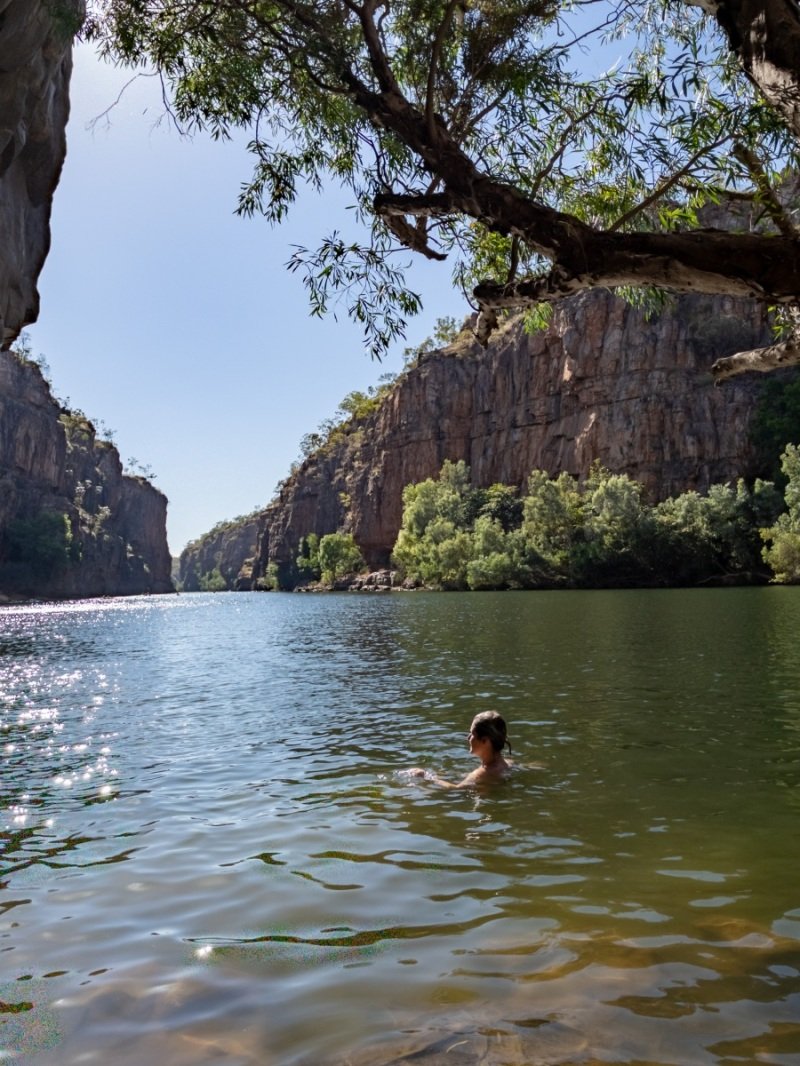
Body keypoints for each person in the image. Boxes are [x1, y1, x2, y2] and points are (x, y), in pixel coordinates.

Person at [405, 710, 513, 789]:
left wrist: (426, 776)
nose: (468, 737)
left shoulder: (481, 774)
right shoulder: (508, 764)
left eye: (472, 734)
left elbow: (455, 789)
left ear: (485, 741)